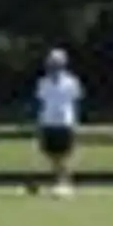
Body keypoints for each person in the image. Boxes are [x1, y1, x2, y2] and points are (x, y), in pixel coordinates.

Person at [34, 47, 85, 196]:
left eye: (57, 63)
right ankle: (60, 181)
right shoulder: (43, 82)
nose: (54, 66)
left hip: (65, 122)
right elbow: (41, 103)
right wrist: (39, 122)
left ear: (63, 64)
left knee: (65, 154)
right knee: (51, 154)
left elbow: (76, 102)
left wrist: (76, 122)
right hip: (48, 121)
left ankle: (64, 183)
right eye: (52, 63)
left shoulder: (71, 82)